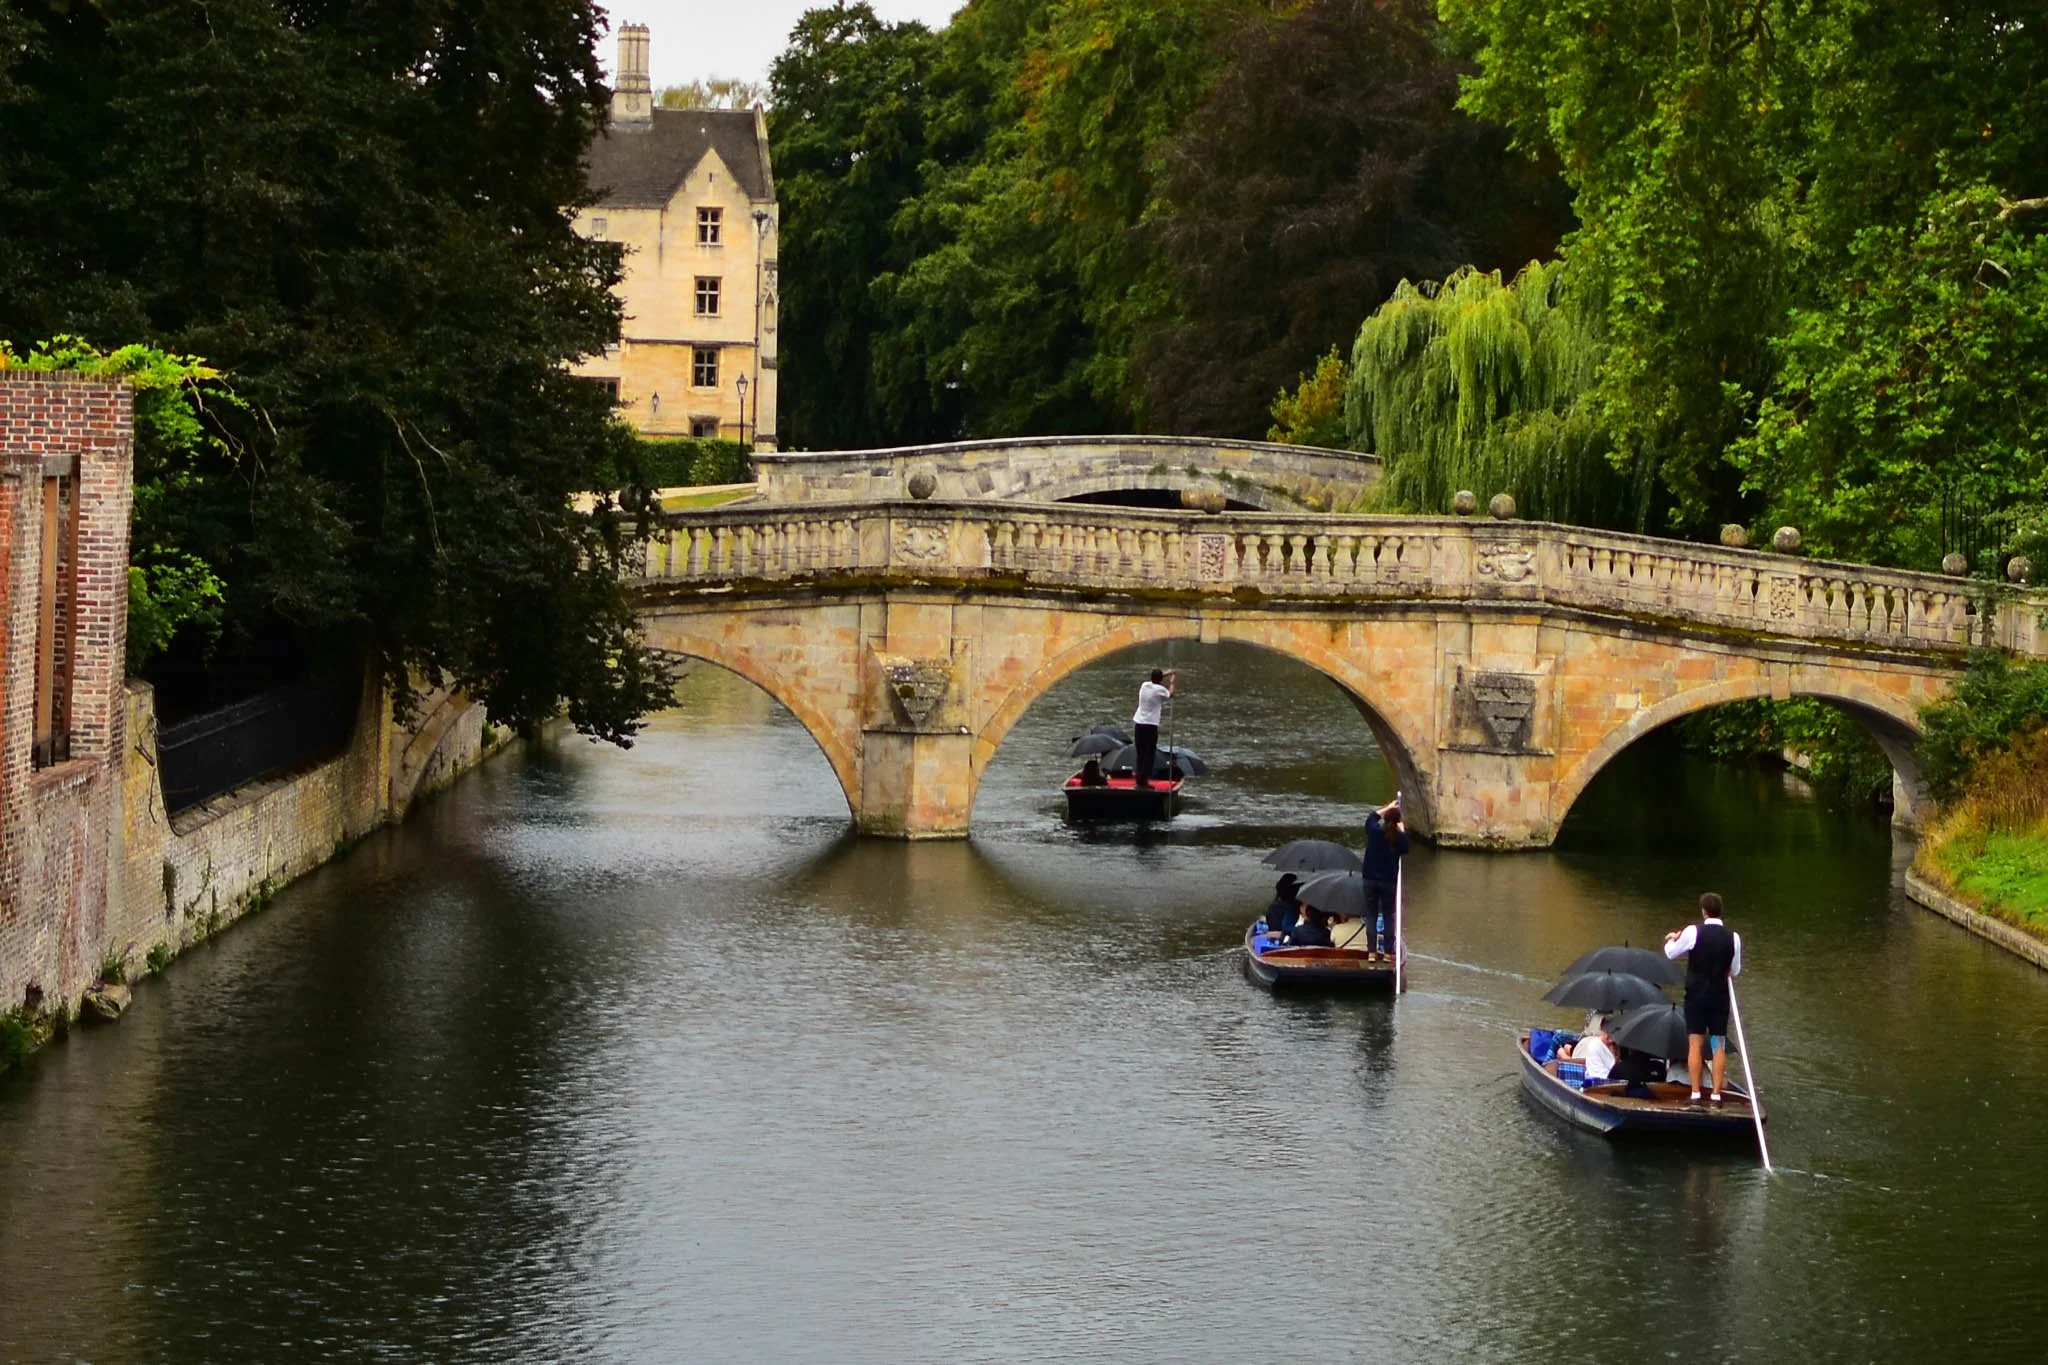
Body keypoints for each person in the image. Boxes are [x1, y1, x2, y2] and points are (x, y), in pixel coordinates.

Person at [1664, 891, 1744, 1103]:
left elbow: (1670, 953)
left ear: (1704, 912)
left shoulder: (1692, 932)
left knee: (1695, 1043)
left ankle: (1696, 1092)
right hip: (1719, 996)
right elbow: (1734, 971)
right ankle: (1716, 1094)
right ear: (1720, 912)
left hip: (1697, 995)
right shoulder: (1733, 937)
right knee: (1718, 1044)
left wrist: (1673, 939)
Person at [1360, 797, 1409, 953]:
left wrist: (1386, 808)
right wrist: (1402, 830)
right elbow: (1406, 848)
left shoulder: (1374, 832)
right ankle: (1388, 952)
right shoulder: (1399, 838)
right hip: (1389, 882)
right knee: (1388, 915)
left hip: (1370, 880)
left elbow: (1371, 818)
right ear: (1398, 821)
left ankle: (1371, 952)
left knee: (1371, 915)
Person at [1130, 667, 1177, 788]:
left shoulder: (1144, 685)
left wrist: (1168, 672)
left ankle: (1139, 779)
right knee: (1149, 754)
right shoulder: (1160, 689)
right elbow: (1171, 694)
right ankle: (1144, 781)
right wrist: (1172, 681)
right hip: (1150, 725)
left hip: (1139, 723)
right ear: (1161, 680)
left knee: (1140, 753)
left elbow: (1156, 677)